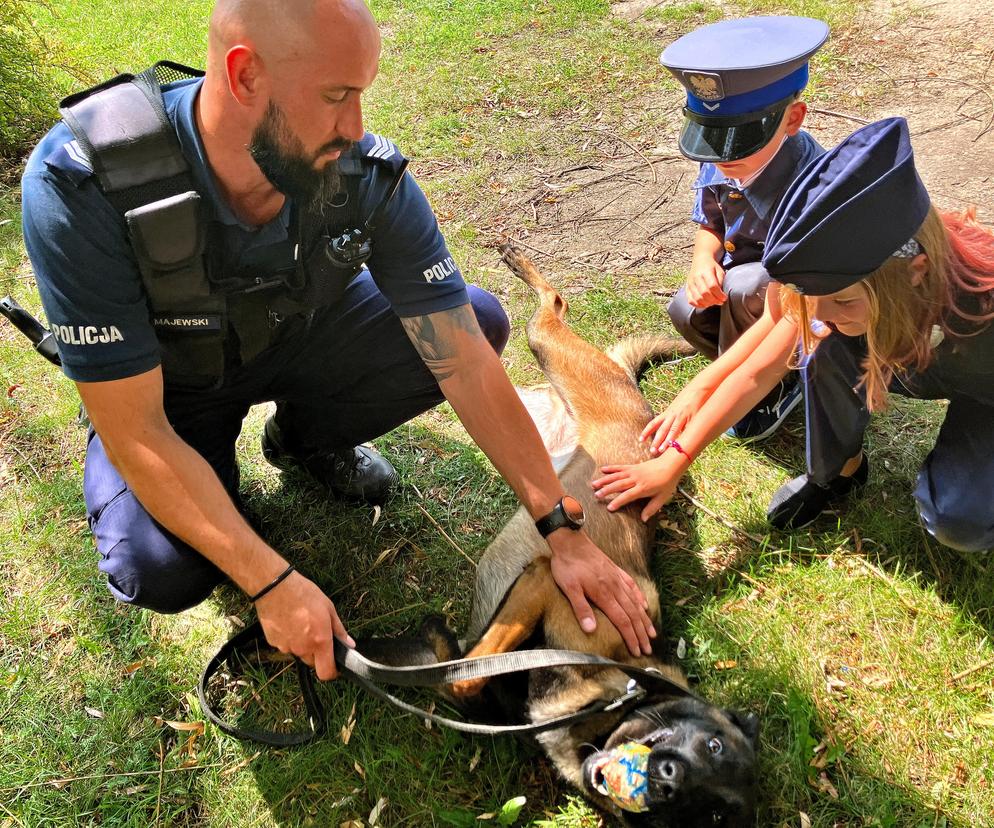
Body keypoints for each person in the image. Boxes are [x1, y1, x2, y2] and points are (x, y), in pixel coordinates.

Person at [20, 0, 656, 682]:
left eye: (361, 95)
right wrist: (268, 581)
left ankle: (302, 439)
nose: (354, 127)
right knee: (160, 571)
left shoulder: (360, 173)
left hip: (301, 341)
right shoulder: (85, 185)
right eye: (335, 96)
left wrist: (561, 527)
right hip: (170, 391)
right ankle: (215, 490)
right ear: (244, 76)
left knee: (478, 317)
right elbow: (136, 429)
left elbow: (466, 361)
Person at [592, 116, 994, 553]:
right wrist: (679, 447)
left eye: (842, 302)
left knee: (959, 520)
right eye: (817, 300)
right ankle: (838, 471)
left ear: (916, 273)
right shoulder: (842, 289)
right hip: (907, 350)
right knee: (823, 344)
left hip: (984, 385)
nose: (825, 315)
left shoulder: (981, 303)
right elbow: (762, 363)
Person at [660, 15, 827, 440]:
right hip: (743, 282)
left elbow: (805, 293)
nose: (721, 157)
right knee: (684, 307)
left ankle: (772, 384)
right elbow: (710, 219)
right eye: (711, 138)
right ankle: (735, 367)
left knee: (745, 287)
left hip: (794, 299)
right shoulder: (723, 155)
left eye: (740, 138)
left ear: (793, 120)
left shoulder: (811, 181)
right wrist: (702, 260)